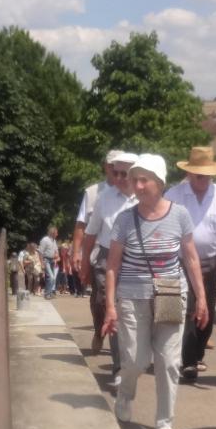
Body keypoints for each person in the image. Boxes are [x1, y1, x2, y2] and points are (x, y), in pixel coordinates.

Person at [103, 154, 208, 429]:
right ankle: (126, 393)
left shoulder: (180, 215)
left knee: (168, 361)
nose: (136, 185)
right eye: (134, 179)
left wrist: (201, 297)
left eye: (143, 180)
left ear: (159, 183)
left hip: (170, 292)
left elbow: (190, 257)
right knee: (135, 361)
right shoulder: (125, 219)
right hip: (132, 296)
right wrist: (110, 306)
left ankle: (164, 421)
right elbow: (112, 265)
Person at [165, 146, 216, 381]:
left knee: (207, 314)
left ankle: (196, 355)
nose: (203, 179)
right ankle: (188, 362)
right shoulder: (174, 195)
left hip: (210, 263)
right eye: (199, 175)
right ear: (189, 173)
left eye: (207, 175)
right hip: (182, 262)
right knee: (189, 309)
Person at [81, 152, 137, 377]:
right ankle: (119, 368)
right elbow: (90, 233)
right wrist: (85, 264)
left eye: (126, 173)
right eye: (117, 172)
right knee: (112, 310)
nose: (121, 177)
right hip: (106, 258)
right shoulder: (104, 198)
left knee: (133, 314)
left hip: (135, 260)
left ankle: (132, 359)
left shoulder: (144, 198)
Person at [39, 226, 59, 299]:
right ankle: (47, 293)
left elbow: (56, 250)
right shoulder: (45, 240)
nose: (57, 234)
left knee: (51, 278)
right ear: (53, 233)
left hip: (52, 260)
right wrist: (42, 263)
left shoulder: (54, 241)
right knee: (51, 277)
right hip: (46, 260)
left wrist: (56, 254)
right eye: (56, 233)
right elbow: (40, 252)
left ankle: (49, 293)